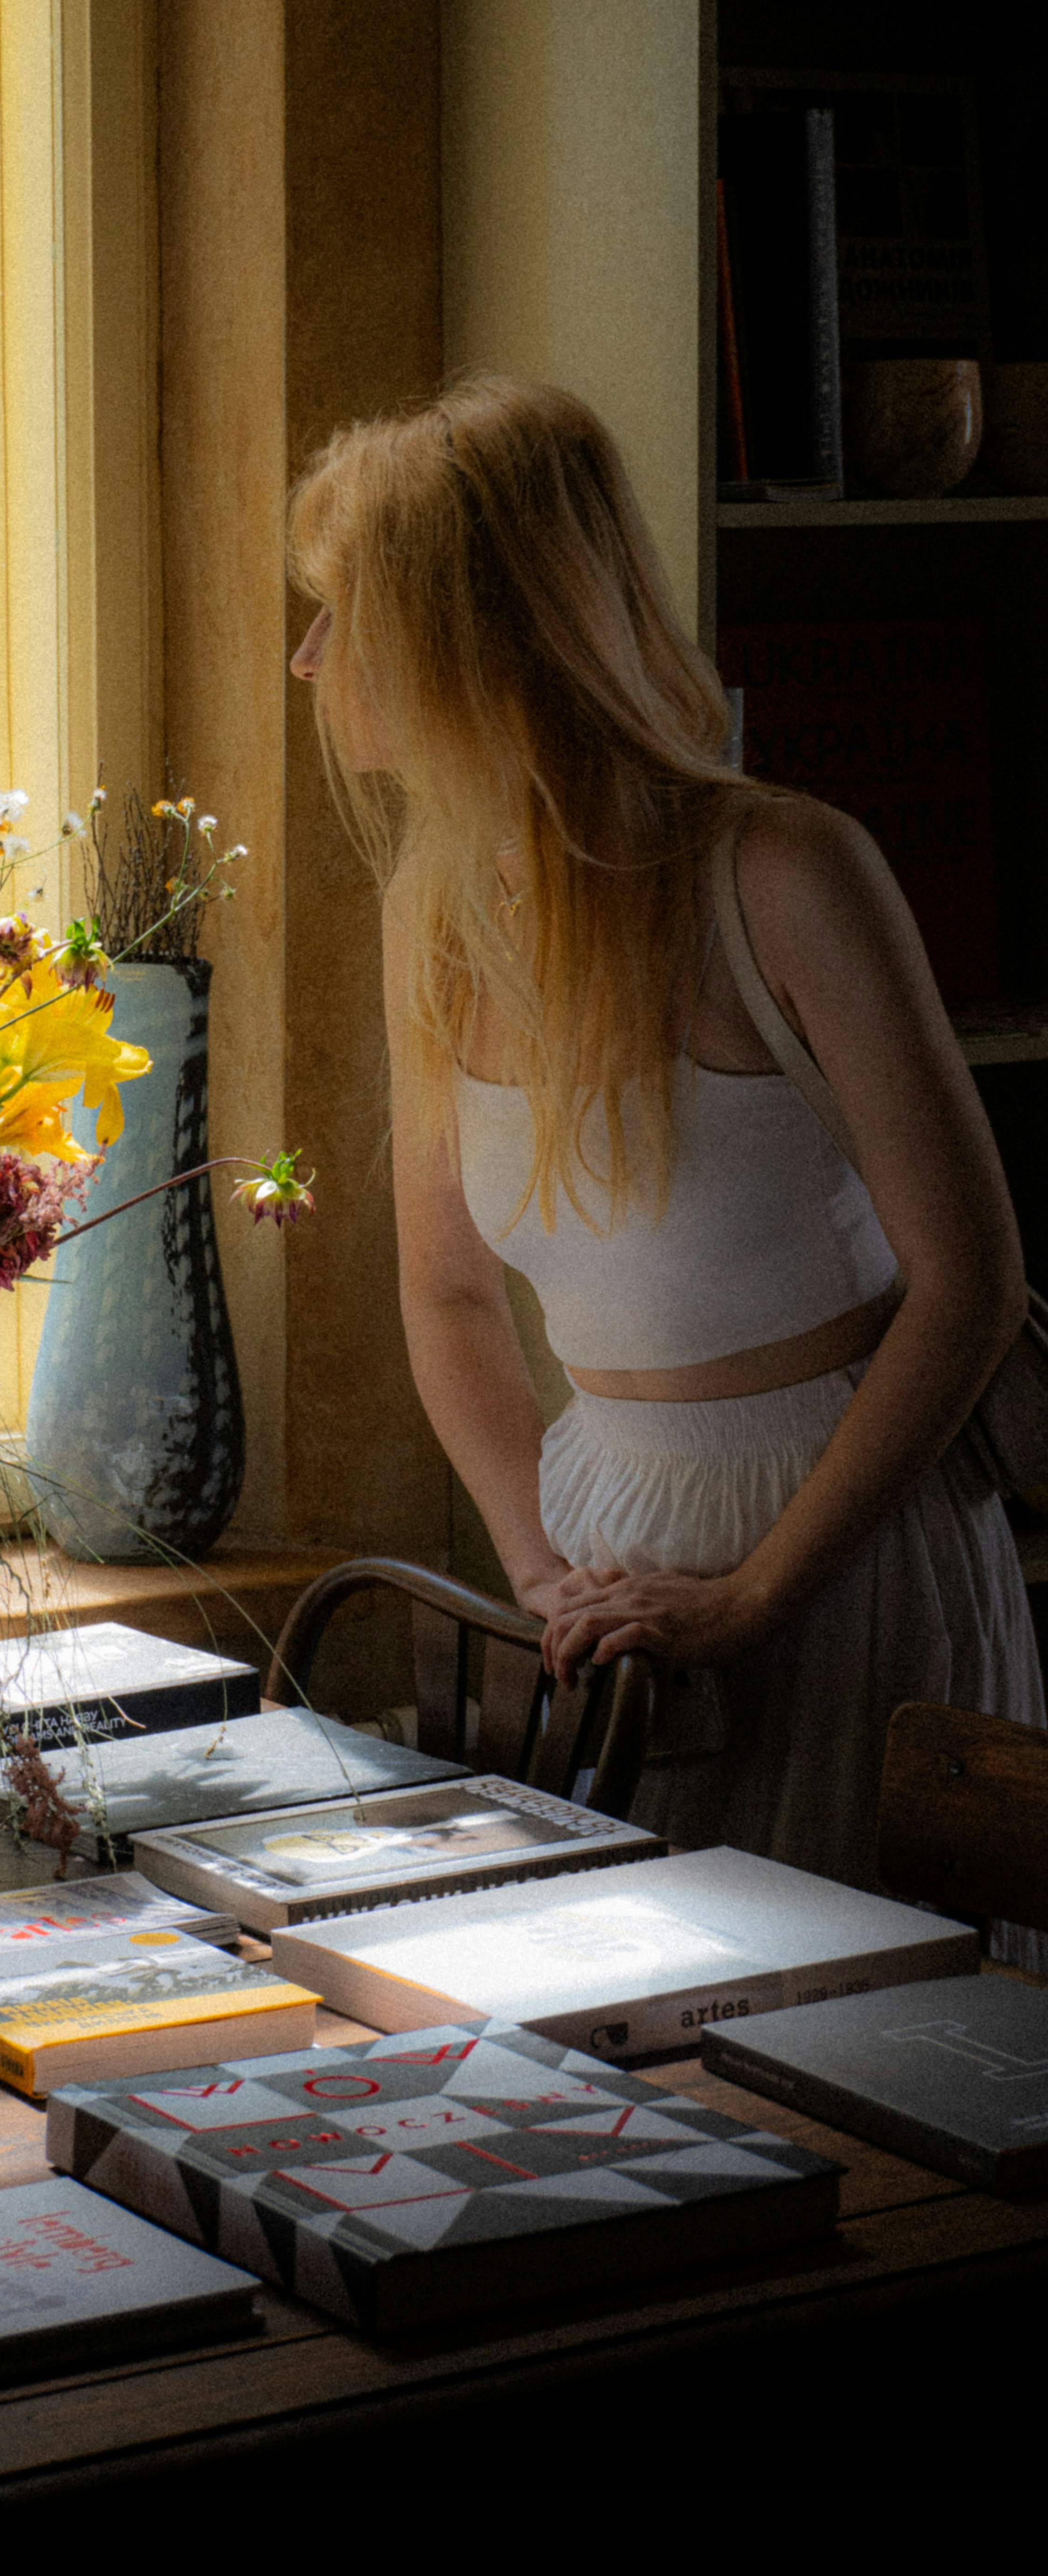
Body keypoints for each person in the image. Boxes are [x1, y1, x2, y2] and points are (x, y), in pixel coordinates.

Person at [287, 374, 1045, 1907]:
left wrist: (758, 1595)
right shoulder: (432, 914)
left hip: (850, 1540)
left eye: (339, 615)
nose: (306, 658)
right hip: (607, 1539)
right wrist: (548, 1572)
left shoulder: (790, 874)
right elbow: (447, 1301)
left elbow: (971, 1285)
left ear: (465, 636)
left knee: (855, 2035)